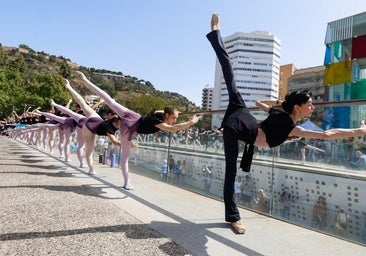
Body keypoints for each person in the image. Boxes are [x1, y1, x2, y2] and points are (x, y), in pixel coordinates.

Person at [207, 14, 366, 234]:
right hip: (241, 128)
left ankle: (216, 34)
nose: (313, 107)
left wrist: (277, 103)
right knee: (231, 172)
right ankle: (233, 217)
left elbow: (260, 105)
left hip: (244, 117)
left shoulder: (282, 114)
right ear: (298, 107)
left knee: (230, 73)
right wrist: (359, 130)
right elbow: (328, 135)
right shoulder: (290, 125)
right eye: (309, 104)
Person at [75, 71, 200, 190]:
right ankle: (127, 181)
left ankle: (85, 79)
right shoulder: (158, 122)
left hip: (133, 116)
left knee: (110, 101)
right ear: (167, 115)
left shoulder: (159, 113)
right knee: (125, 156)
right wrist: (191, 122)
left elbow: (162, 112)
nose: (175, 120)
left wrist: (174, 112)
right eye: (174, 117)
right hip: (130, 127)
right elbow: (173, 129)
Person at [62, 79, 122, 176]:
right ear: (120, 121)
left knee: (83, 104)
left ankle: (69, 87)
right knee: (90, 150)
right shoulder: (110, 130)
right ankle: (91, 169)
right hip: (89, 128)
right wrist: (125, 145)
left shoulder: (115, 117)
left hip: (96, 119)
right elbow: (114, 141)